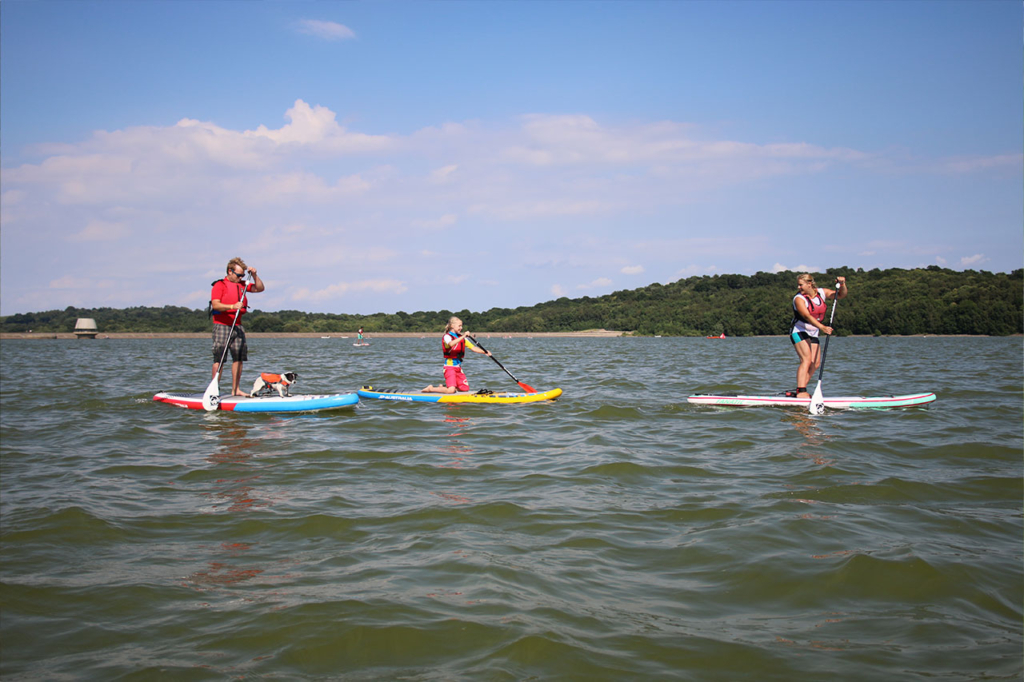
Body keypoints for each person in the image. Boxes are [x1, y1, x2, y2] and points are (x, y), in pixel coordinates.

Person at [211, 257, 265, 396]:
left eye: (242, 275)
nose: (241, 277)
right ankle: (214, 389)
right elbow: (215, 304)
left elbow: (260, 288)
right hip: (222, 325)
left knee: (238, 358)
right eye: (238, 275)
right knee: (220, 358)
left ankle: (236, 390)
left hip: (238, 326)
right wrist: (232, 306)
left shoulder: (242, 285)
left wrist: (254, 275)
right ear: (230, 271)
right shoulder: (220, 285)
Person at [790, 273, 847, 398]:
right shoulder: (799, 299)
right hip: (799, 331)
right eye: (798, 285)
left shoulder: (821, 293)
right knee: (806, 359)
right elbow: (807, 316)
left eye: (801, 285)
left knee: (815, 364)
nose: (799, 287)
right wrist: (822, 327)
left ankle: (800, 390)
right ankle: (801, 391)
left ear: (809, 284)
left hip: (813, 332)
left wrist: (842, 284)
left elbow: (841, 295)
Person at [422, 316, 492, 393]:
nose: (461, 328)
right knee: (451, 391)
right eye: (459, 326)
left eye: (461, 326)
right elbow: (451, 344)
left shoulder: (462, 338)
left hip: (458, 367)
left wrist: (485, 352)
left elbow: (473, 348)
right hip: (449, 367)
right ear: (452, 326)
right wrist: (463, 336)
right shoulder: (447, 336)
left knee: (465, 389)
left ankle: (443, 387)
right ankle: (430, 388)